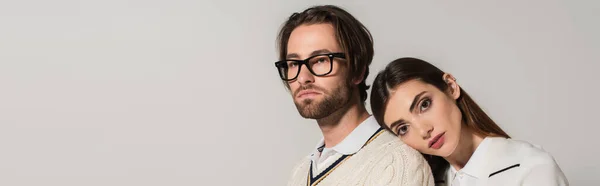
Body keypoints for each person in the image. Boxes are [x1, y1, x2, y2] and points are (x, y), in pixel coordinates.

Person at [274, 5, 434, 186]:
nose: (303, 78)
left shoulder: (398, 163)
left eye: (320, 60)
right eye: (293, 64)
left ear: (357, 71)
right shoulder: (300, 173)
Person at [370, 57, 569, 186]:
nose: (423, 130)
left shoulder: (530, 168)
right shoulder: (425, 180)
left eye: (424, 105)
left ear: (451, 86)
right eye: (404, 128)